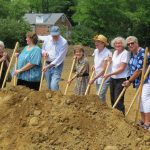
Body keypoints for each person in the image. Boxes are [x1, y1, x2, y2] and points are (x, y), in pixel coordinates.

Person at [123, 36, 150, 130]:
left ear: (137, 43)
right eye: (128, 44)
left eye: (132, 43)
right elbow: (132, 69)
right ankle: (143, 120)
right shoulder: (132, 54)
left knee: (144, 99)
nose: (130, 45)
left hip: (147, 80)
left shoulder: (143, 53)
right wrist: (129, 79)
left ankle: (148, 123)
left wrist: (130, 81)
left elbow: (139, 70)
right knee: (140, 100)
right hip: (138, 80)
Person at [103, 37, 130, 114]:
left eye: (119, 43)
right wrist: (110, 61)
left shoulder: (125, 53)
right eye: (116, 43)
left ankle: (121, 118)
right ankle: (115, 118)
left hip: (122, 79)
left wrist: (109, 74)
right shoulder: (114, 52)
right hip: (113, 78)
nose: (118, 45)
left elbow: (121, 68)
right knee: (112, 99)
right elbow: (113, 64)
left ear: (123, 44)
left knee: (118, 99)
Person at [42, 26, 68, 91]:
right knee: (49, 86)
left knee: (53, 85)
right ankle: (53, 99)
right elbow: (43, 49)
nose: (54, 37)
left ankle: (58, 99)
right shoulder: (47, 39)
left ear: (59, 33)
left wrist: (48, 66)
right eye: (53, 35)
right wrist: (44, 53)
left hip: (57, 66)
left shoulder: (64, 42)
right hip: (47, 63)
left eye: (56, 35)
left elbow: (59, 58)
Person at [89, 34, 112, 103]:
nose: (96, 43)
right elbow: (97, 61)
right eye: (95, 41)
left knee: (100, 95)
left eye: (98, 42)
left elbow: (104, 69)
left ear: (103, 43)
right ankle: (102, 108)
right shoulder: (96, 51)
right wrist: (94, 65)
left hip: (104, 77)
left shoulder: (108, 53)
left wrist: (93, 79)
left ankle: (103, 109)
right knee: (100, 95)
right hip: (97, 76)